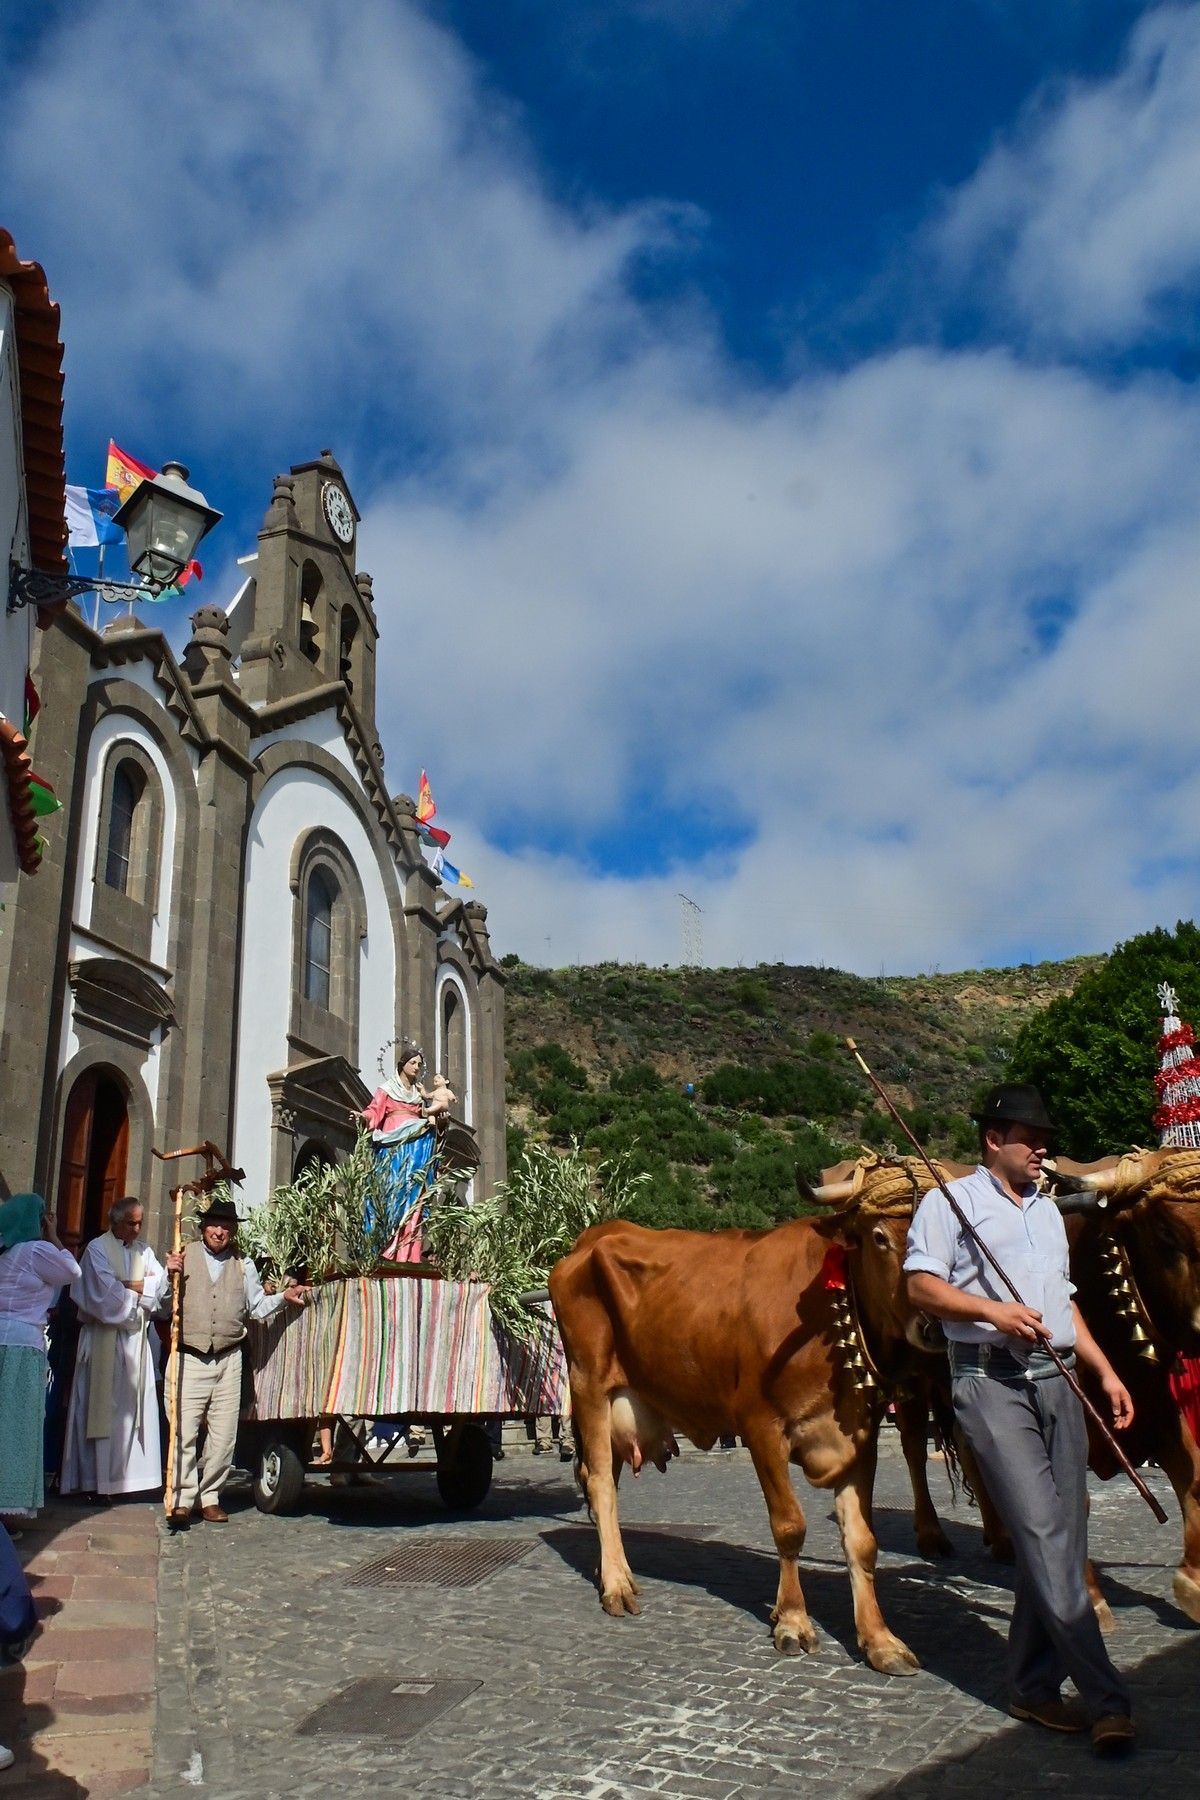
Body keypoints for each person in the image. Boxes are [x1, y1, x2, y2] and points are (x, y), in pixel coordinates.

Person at [904, 1083, 1136, 1756]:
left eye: (1044, 1138)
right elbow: (919, 1283)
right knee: (1043, 1531)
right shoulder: (949, 1204)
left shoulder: (1044, 1212)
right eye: (1030, 1138)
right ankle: (1107, 1700)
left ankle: (1032, 1687)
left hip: (1057, 1380)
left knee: (1066, 1530)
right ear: (993, 1139)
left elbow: (1062, 1301)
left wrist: (1105, 1369)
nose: (1043, 1149)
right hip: (989, 1381)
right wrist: (992, 1312)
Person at [163, 1195, 307, 1524]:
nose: (219, 1231)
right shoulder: (183, 1257)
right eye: (214, 1224)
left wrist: (283, 1298)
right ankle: (182, 1498)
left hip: (229, 1359)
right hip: (189, 1356)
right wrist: (166, 1273)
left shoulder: (245, 1265)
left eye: (226, 1226)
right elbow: (161, 1302)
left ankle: (210, 1496)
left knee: (223, 1434)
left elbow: (256, 1307)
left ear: (233, 1232)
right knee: (183, 1433)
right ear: (202, 1228)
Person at [60, 1195, 169, 1501]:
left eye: (140, 1223)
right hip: (103, 1338)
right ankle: (96, 1481)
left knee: (134, 1408)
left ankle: (132, 1480)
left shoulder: (144, 1250)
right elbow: (104, 1294)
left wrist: (129, 1284)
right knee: (101, 1409)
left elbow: (159, 1285)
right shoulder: (96, 1249)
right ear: (116, 1222)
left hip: (136, 1343)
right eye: (131, 1223)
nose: (137, 1229)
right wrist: (140, 1288)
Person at [0, 1196, 80, 1522]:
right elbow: (72, 1271)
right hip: (21, 1345)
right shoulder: (35, 1251)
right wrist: (54, 1234)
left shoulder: (4, 1251)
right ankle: (6, 1505)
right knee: (16, 1426)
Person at [359, 1041, 441, 1262]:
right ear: (402, 1064)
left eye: (420, 1064)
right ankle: (385, 1248)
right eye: (413, 1062)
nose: (417, 1067)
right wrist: (363, 1117)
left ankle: (408, 1255)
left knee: (413, 1199)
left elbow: (431, 1114)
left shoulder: (420, 1096)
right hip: (392, 1150)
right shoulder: (387, 1090)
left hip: (415, 1152)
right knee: (391, 1195)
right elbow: (373, 1111)